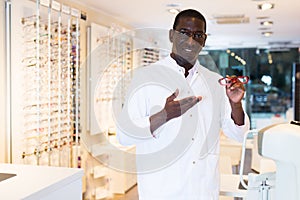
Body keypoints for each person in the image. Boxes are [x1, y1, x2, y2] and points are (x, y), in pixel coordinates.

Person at [116, 9, 250, 200]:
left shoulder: (214, 81)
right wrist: (164, 115)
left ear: (204, 40)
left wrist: (236, 105)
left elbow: (238, 134)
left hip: (203, 189)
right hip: (161, 191)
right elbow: (124, 135)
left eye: (197, 35)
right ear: (172, 35)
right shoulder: (146, 77)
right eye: (184, 33)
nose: (190, 40)